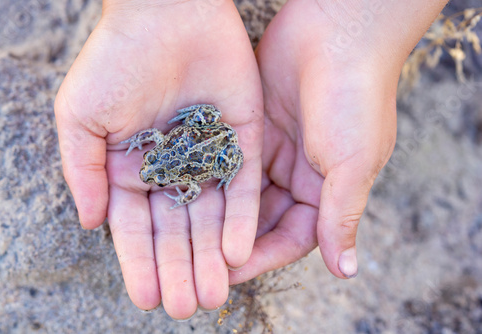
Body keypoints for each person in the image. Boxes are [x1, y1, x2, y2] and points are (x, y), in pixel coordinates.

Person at [55, 0, 449, 320]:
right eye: (153, 171)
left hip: (216, 144)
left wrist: (356, 26)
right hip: (199, 136)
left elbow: (189, 185)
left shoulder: (176, 170)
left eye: (155, 175)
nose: (150, 172)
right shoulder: (163, 155)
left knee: (228, 162)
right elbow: (173, 163)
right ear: (158, 159)